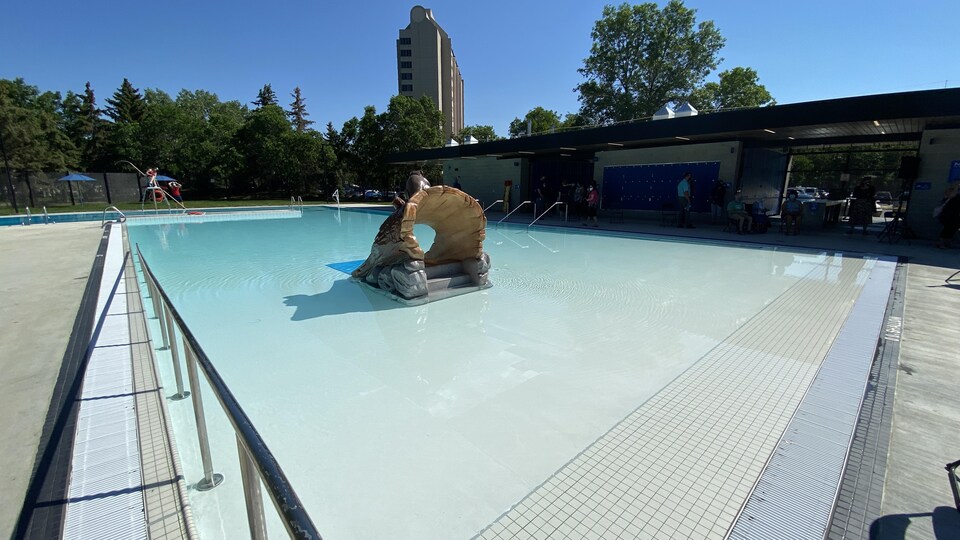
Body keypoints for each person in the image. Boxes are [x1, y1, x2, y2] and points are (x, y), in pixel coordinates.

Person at [935, 183, 960, 248]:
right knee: (947, 228)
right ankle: (941, 243)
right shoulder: (949, 192)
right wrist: (956, 188)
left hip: (956, 214)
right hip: (947, 213)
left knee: (953, 228)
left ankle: (947, 242)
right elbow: (950, 196)